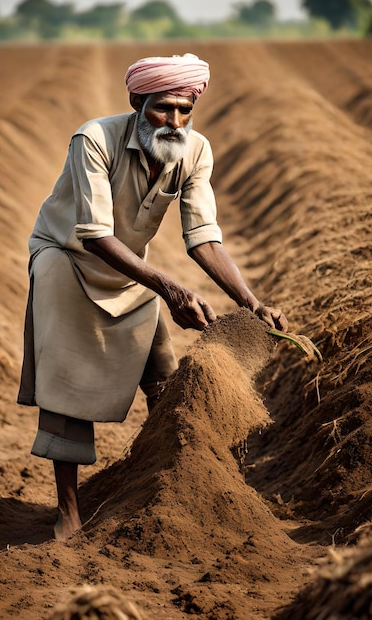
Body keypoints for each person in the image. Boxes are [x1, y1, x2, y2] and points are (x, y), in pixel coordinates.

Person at [18, 53, 288, 541]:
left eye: (185, 110)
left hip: (130, 272)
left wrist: (252, 304)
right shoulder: (94, 140)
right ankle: (69, 511)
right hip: (67, 258)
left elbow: (204, 236)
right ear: (136, 101)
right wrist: (168, 287)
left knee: (164, 376)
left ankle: (170, 488)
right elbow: (95, 236)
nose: (175, 121)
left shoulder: (195, 151)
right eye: (163, 108)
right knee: (67, 383)